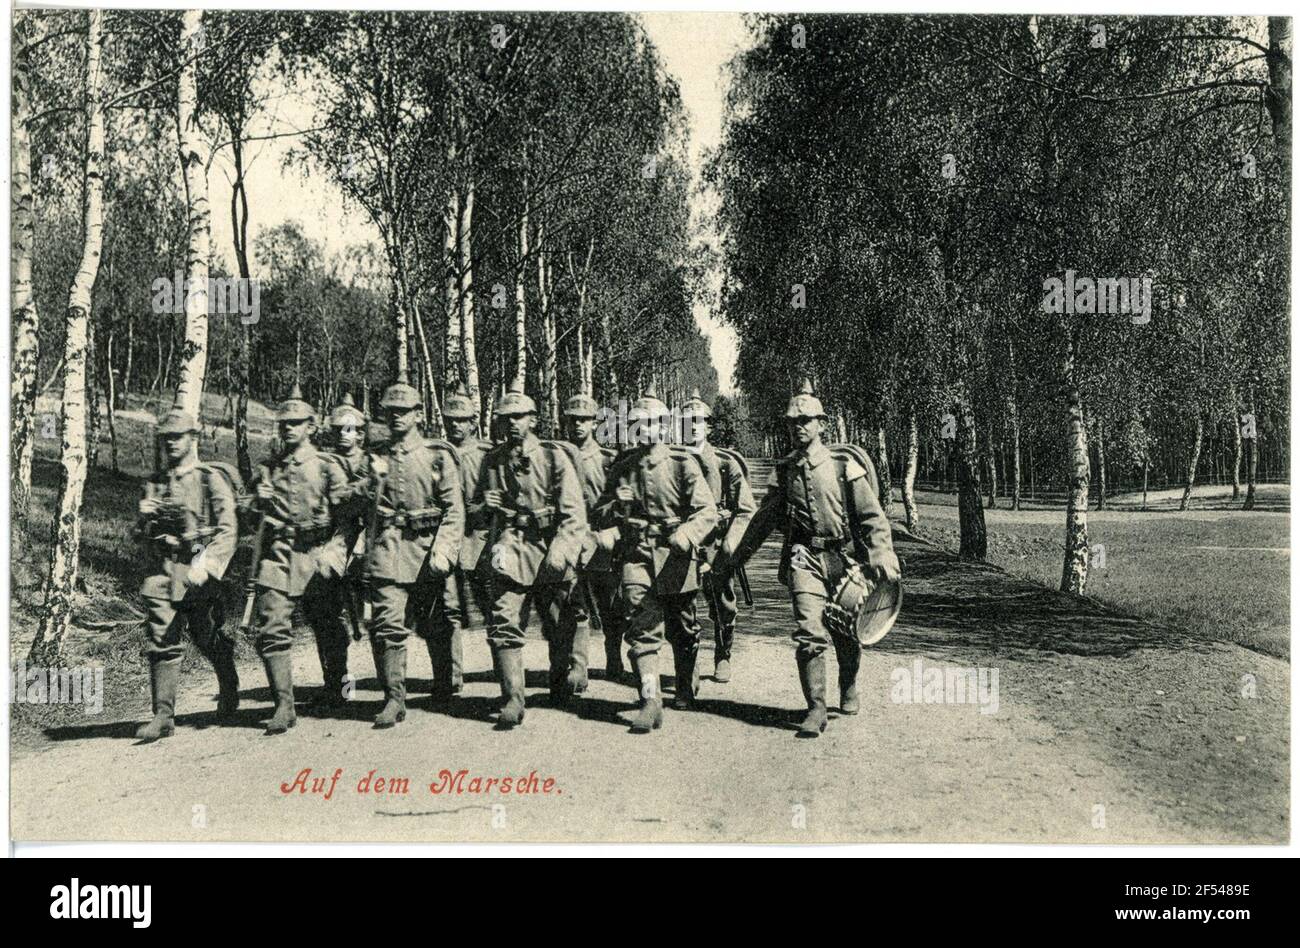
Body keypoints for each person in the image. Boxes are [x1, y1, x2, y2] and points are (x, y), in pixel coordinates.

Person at [723, 380, 901, 738]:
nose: (798, 427)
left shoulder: (843, 465)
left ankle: (848, 685)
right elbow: (763, 520)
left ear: (822, 423)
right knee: (809, 631)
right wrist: (736, 558)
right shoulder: (786, 469)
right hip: (803, 559)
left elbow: (870, 515)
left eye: (805, 420)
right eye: (792, 422)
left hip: (844, 559)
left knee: (847, 630)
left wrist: (882, 552)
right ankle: (816, 708)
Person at [592, 389, 717, 732]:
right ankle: (650, 701)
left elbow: (707, 512)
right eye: (636, 423)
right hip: (637, 556)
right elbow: (599, 512)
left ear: (664, 427)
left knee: (683, 628)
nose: (643, 428)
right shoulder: (623, 467)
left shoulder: (682, 464)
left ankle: (686, 682)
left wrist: (688, 535)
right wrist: (616, 504)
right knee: (641, 631)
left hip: (676, 558)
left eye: (650, 423)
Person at [474, 379, 587, 728]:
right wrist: (482, 506)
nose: (512, 423)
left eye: (519, 416)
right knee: (504, 620)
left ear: (534, 420)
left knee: (558, 623)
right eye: (506, 417)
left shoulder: (554, 458)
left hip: (549, 547)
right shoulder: (492, 461)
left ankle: (560, 685)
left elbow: (573, 513)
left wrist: (562, 550)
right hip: (511, 546)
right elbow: (477, 513)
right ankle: (512, 699)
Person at [247, 384, 350, 734]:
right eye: (284, 424)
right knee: (271, 627)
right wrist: (254, 501)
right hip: (277, 556)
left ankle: (335, 687)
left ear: (311, 425)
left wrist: (338, 550)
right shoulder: (267, 469)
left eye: (296, 423)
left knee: (327, 626)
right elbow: (247, 521)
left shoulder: (326, 466)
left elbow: (347, 514)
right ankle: (283, 705)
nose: (288, 428)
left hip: (316, 555)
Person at [133, 405, 239, 742]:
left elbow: (228, 531)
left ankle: (227, 676)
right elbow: (137, 534)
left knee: (204, 634)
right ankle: (163, 716)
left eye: (178, 437)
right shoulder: (155, 483)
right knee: (162, 640)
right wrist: (144, 518)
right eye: (166, 438)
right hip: (163, 572)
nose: (172, 444)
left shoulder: (210, 478)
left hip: (198, 572)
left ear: (192, 438)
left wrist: (206, 566)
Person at [364, 376, 465, 727]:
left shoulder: (438, 456)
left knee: (434, 623)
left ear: (418, 414)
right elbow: (363, 507)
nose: (396, 418)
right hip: (388, 550)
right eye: (390, 412)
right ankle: (394, 698)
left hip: (426, 552)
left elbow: (454, 510)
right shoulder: (376, 457)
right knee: (388, 625)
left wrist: (444, 549)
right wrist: (368, 485)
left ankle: (443, 685)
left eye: (404, 411)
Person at [681, 389, 755, 683]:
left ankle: (723, 654)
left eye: (699, 420)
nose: (693, 426)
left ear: (708, 426)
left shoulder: (726, 464)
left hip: (716, 544)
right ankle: (688, 661)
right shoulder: (674, 459)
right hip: (684, 543)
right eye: (687, 421)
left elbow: (745, 510)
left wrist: (731, 543)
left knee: (722, 603)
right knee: (683, 607)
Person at [564, 393, 626, 683]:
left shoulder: (607, 460)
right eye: (573, 419)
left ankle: (613, 655)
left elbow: (621, 502)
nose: (577, 424)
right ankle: (579, 667)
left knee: (610, 605)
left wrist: (612, 531)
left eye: (584, 419)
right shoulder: (559, 456)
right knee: (574, 603)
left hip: (602, 542)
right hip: (571, 538)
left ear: (593, 423)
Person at [437, 385, 493, 700]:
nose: (455, 425)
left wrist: (481, 508)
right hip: (447, 542)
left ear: (473, 422)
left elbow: (498, 495)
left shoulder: (487, 454)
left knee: (493, 608)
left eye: (462, 420)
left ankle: (504, 670)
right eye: (450, 420)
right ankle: (451, 677)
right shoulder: (438, 453)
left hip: (480, 540)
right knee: (449, 610)